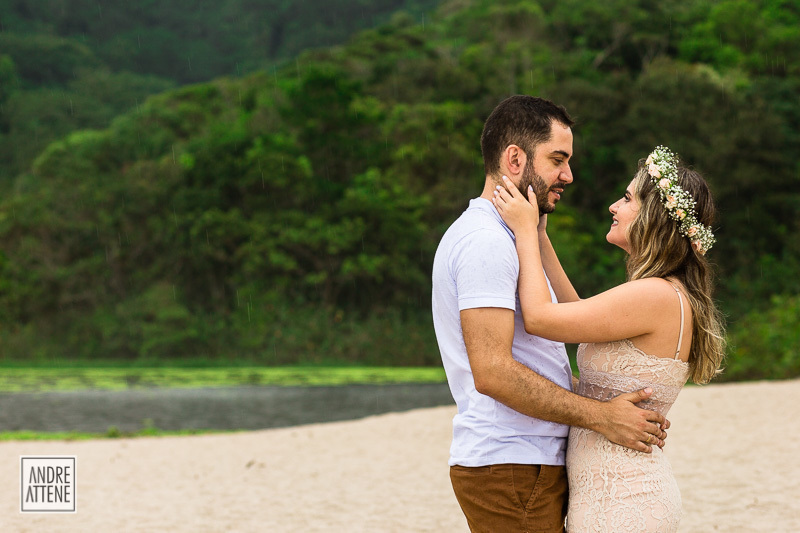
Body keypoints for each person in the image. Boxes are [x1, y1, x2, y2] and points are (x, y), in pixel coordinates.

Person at [431, 95, 670, 533]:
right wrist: (601, 416)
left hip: (527, 462)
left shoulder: (513, 236)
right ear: (515, 159)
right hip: (511, 462)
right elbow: (492, 372)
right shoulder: (486, 242)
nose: (568, 175)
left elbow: (542, 353)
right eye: (557, 160)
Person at [491, 145, 726, 532]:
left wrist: (523, 233)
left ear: (653, 217)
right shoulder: (664, 293)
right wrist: (541, 236)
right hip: (616, 494)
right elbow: (577, 312)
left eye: (628, 198)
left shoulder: (654, 295)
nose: (614, 206)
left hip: (623, 501)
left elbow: (539, 317)